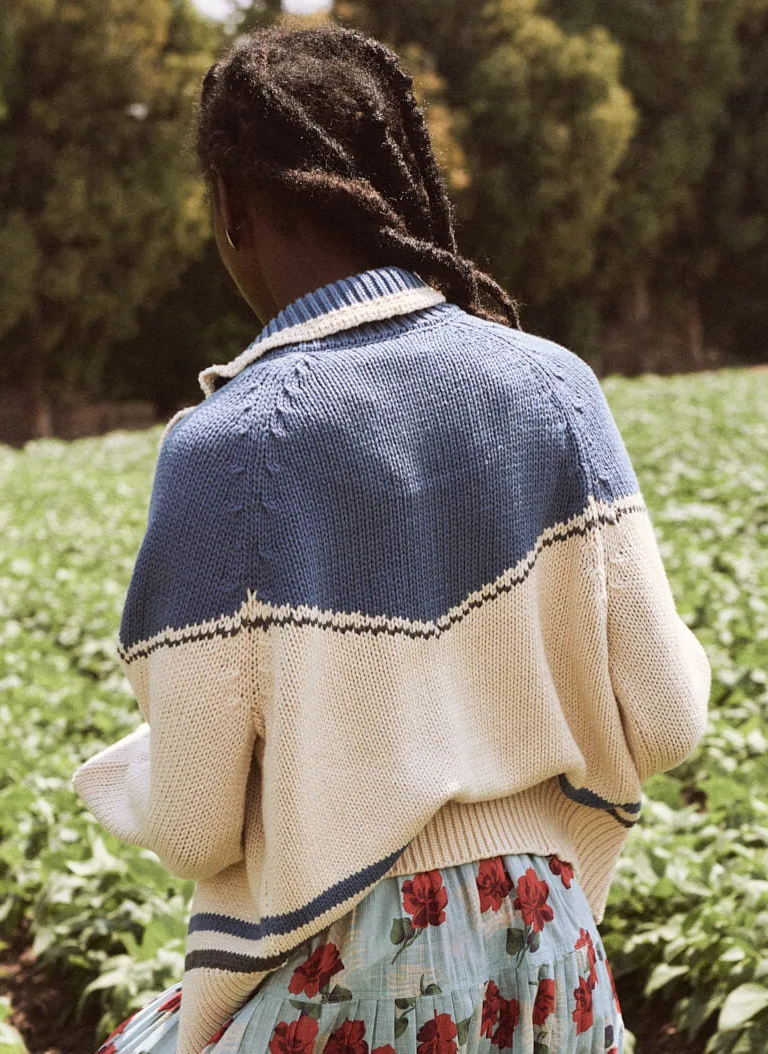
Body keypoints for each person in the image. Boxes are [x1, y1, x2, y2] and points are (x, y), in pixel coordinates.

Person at [71, 20, 712, 1054]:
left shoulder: (224, 447)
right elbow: (669, 720)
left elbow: (192, 823)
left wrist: (123, 773)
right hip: (547, 955)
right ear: (402, 183)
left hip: (353, 965)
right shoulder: (553, 386)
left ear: (233, 210)